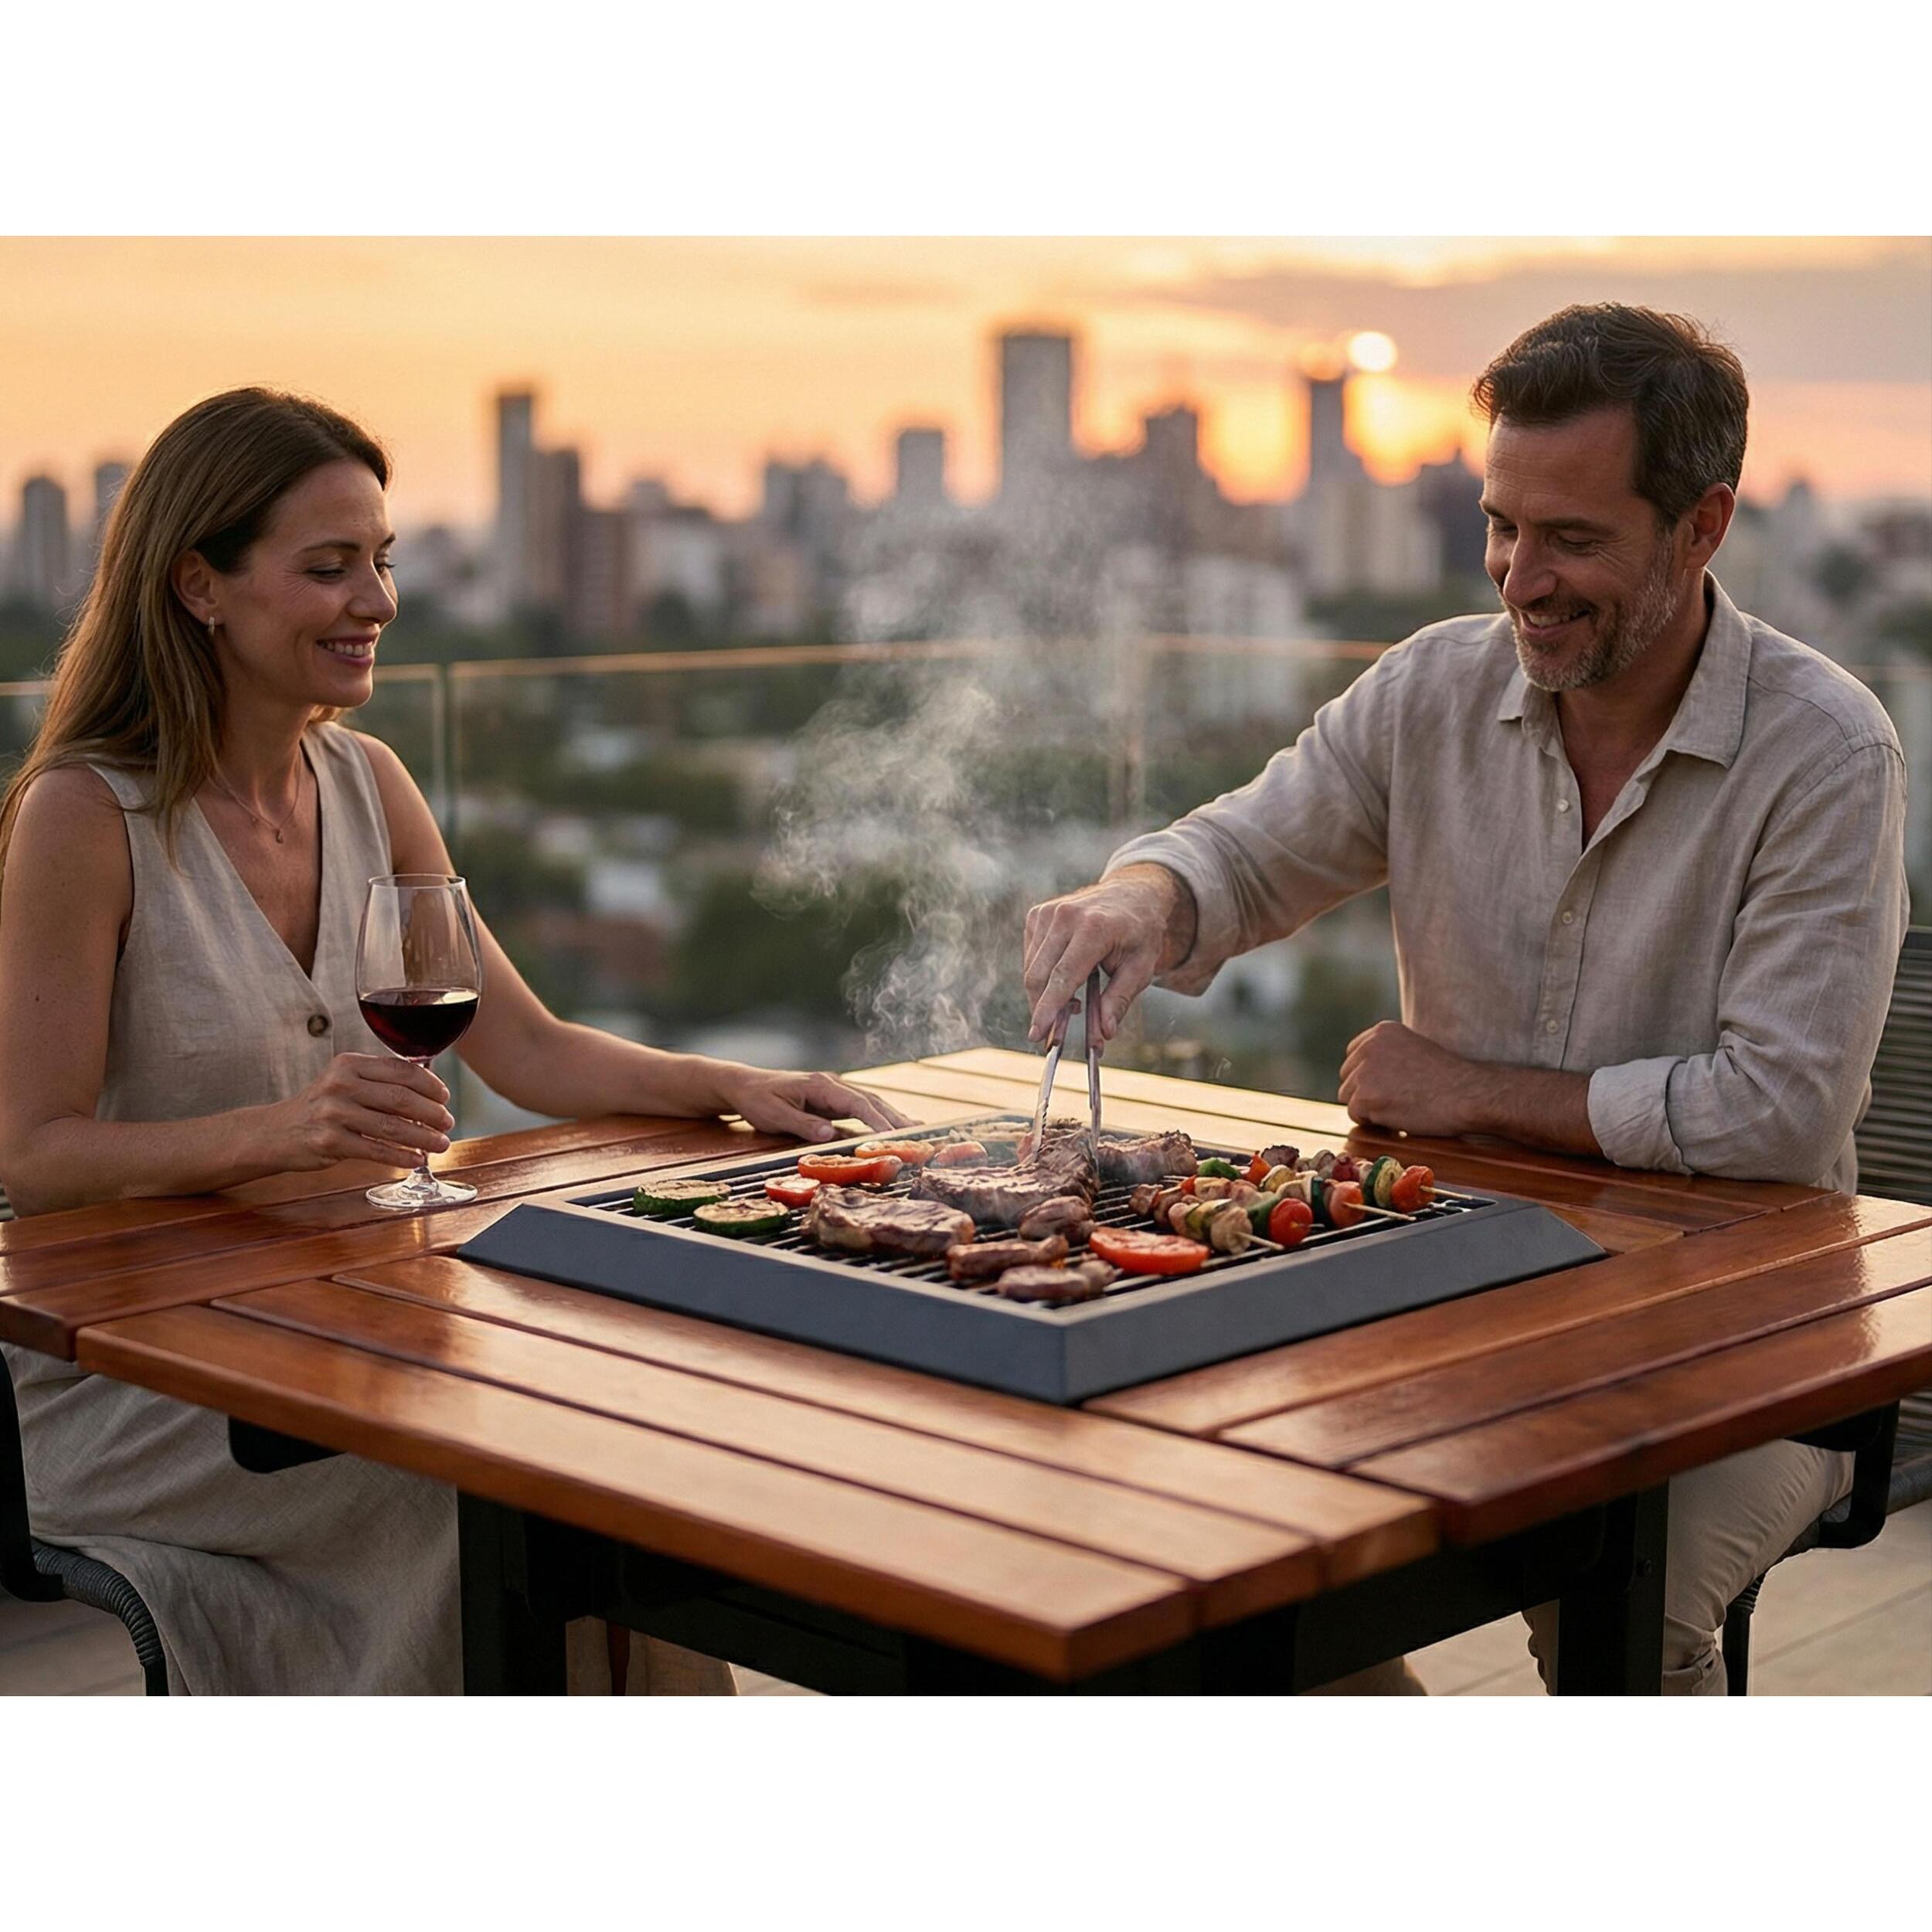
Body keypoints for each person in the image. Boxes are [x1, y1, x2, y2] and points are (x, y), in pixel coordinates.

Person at [1022, 304, 1910, 1696]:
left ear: (1703, 526)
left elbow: (1779, 1118)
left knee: (1624, 1588)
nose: (1519, 577)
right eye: (1500, 525)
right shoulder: (1429, 689)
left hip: (1743, 1339)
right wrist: (1145, 896)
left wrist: (1473, 1094)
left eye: (1572, 538)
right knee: (1212, 1537)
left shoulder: (1827, 751)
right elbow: (1249, 848)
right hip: (1445, 1292)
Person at [0, 386, 908, 1695]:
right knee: (482, 1494)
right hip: (141, 1381)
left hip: (332, 1323)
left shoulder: (370, 785)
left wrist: (734, 1087)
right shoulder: (86, 819)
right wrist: (283, 1131)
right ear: (200, 585)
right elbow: (32, 1157)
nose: (376, 601)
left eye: (382, 560)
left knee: (592, 1452)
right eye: (328, 568)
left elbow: (525, 1050)